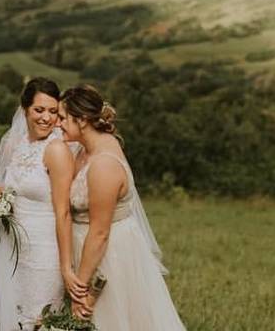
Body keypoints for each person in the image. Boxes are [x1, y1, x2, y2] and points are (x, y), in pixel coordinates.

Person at [58, 84, 186, 330]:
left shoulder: (104, 165)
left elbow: (100, 232)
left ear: (82, 120)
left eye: (63, 118)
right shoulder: (88, 147)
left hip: (108, 256)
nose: (59, 123)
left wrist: (81, 289)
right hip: (88, 247)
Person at [0, 77, 79, 331]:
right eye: (39, 110)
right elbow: (3, 192)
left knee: (40, 320)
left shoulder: (57, 150)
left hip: (45, 253)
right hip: (14, 250)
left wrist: (65, 267)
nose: (46, 118)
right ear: (25, 109)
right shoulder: (13, 145)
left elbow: (64, 212)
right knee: (14, 318)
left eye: (52, 112)